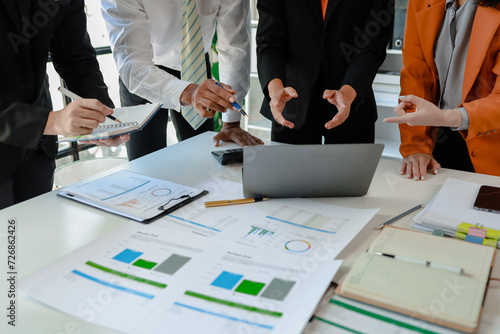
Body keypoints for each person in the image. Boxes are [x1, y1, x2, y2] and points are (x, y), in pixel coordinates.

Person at [0, 0, 129, 209]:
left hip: (38, 150)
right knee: (8, 240)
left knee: (39, 234)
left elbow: (75, 56)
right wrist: (49, 122)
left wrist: (102, 117)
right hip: (26, 130)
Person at [101, 0, 263, 161]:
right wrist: (190, 93)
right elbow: (132, 63)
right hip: (145, 75)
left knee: (202, 159)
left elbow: (234, 47)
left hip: (196, 65)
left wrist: (231, 122)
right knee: (145, 165)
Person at [384, 0, 500, 180]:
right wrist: (415, 147)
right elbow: (416, 76)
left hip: (491, 143)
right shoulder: (421, 2)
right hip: (440, 140)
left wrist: (445, 116)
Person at [256, 0, 393, 144]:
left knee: (350, 167)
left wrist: (348, 92)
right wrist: (275, 88)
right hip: (290, 104)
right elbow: (268, 40)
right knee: (290, 167)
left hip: (351, 103)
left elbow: (373, 45)